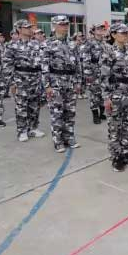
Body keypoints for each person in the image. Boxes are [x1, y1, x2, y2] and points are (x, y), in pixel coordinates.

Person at [100, 23, 128, 172]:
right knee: (115, 127)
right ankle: (116, 156)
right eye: (122, 33)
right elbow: (104, 77)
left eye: (126, 33)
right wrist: (106, 97)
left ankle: (125, 152)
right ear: (114, 35)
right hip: (115, 94)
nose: (125, 35)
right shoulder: (108, 52)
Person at [41, 15, 82, 152]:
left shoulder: (72, 44)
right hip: (56, 82)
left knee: (70, 112)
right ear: (54, 26)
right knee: (56, 113)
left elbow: (78, 64)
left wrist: (78, 82)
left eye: (66, 24)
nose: (65, 27)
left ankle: (69, 137)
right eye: (61, 24)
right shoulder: (47, 44)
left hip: (70, 82)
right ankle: (58, 140)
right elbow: (44, 67)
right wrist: (47, 85)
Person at [3, 20, 46, 142]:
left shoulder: (37, 44)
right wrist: (12, 83)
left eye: (30, 27)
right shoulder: (12, 46)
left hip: (36, 79)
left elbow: (43, 62)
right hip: (21, 80)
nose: (29, 29)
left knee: (35, 105)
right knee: (21, 106)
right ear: (19, 29)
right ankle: (22, 131)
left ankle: (33, 128)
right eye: (26, 27)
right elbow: (7, 66)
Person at [80, 23, 108, 124]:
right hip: (93, 73)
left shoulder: (104, 43)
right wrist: (88, 75)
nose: (101, 30)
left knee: (103, 93)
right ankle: (95, 115)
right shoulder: (89, 43)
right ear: (93, 31)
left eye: (102, 28)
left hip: (104, 73)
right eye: (98, 28)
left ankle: (102, 113)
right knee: (94, 95)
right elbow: (85, 60)